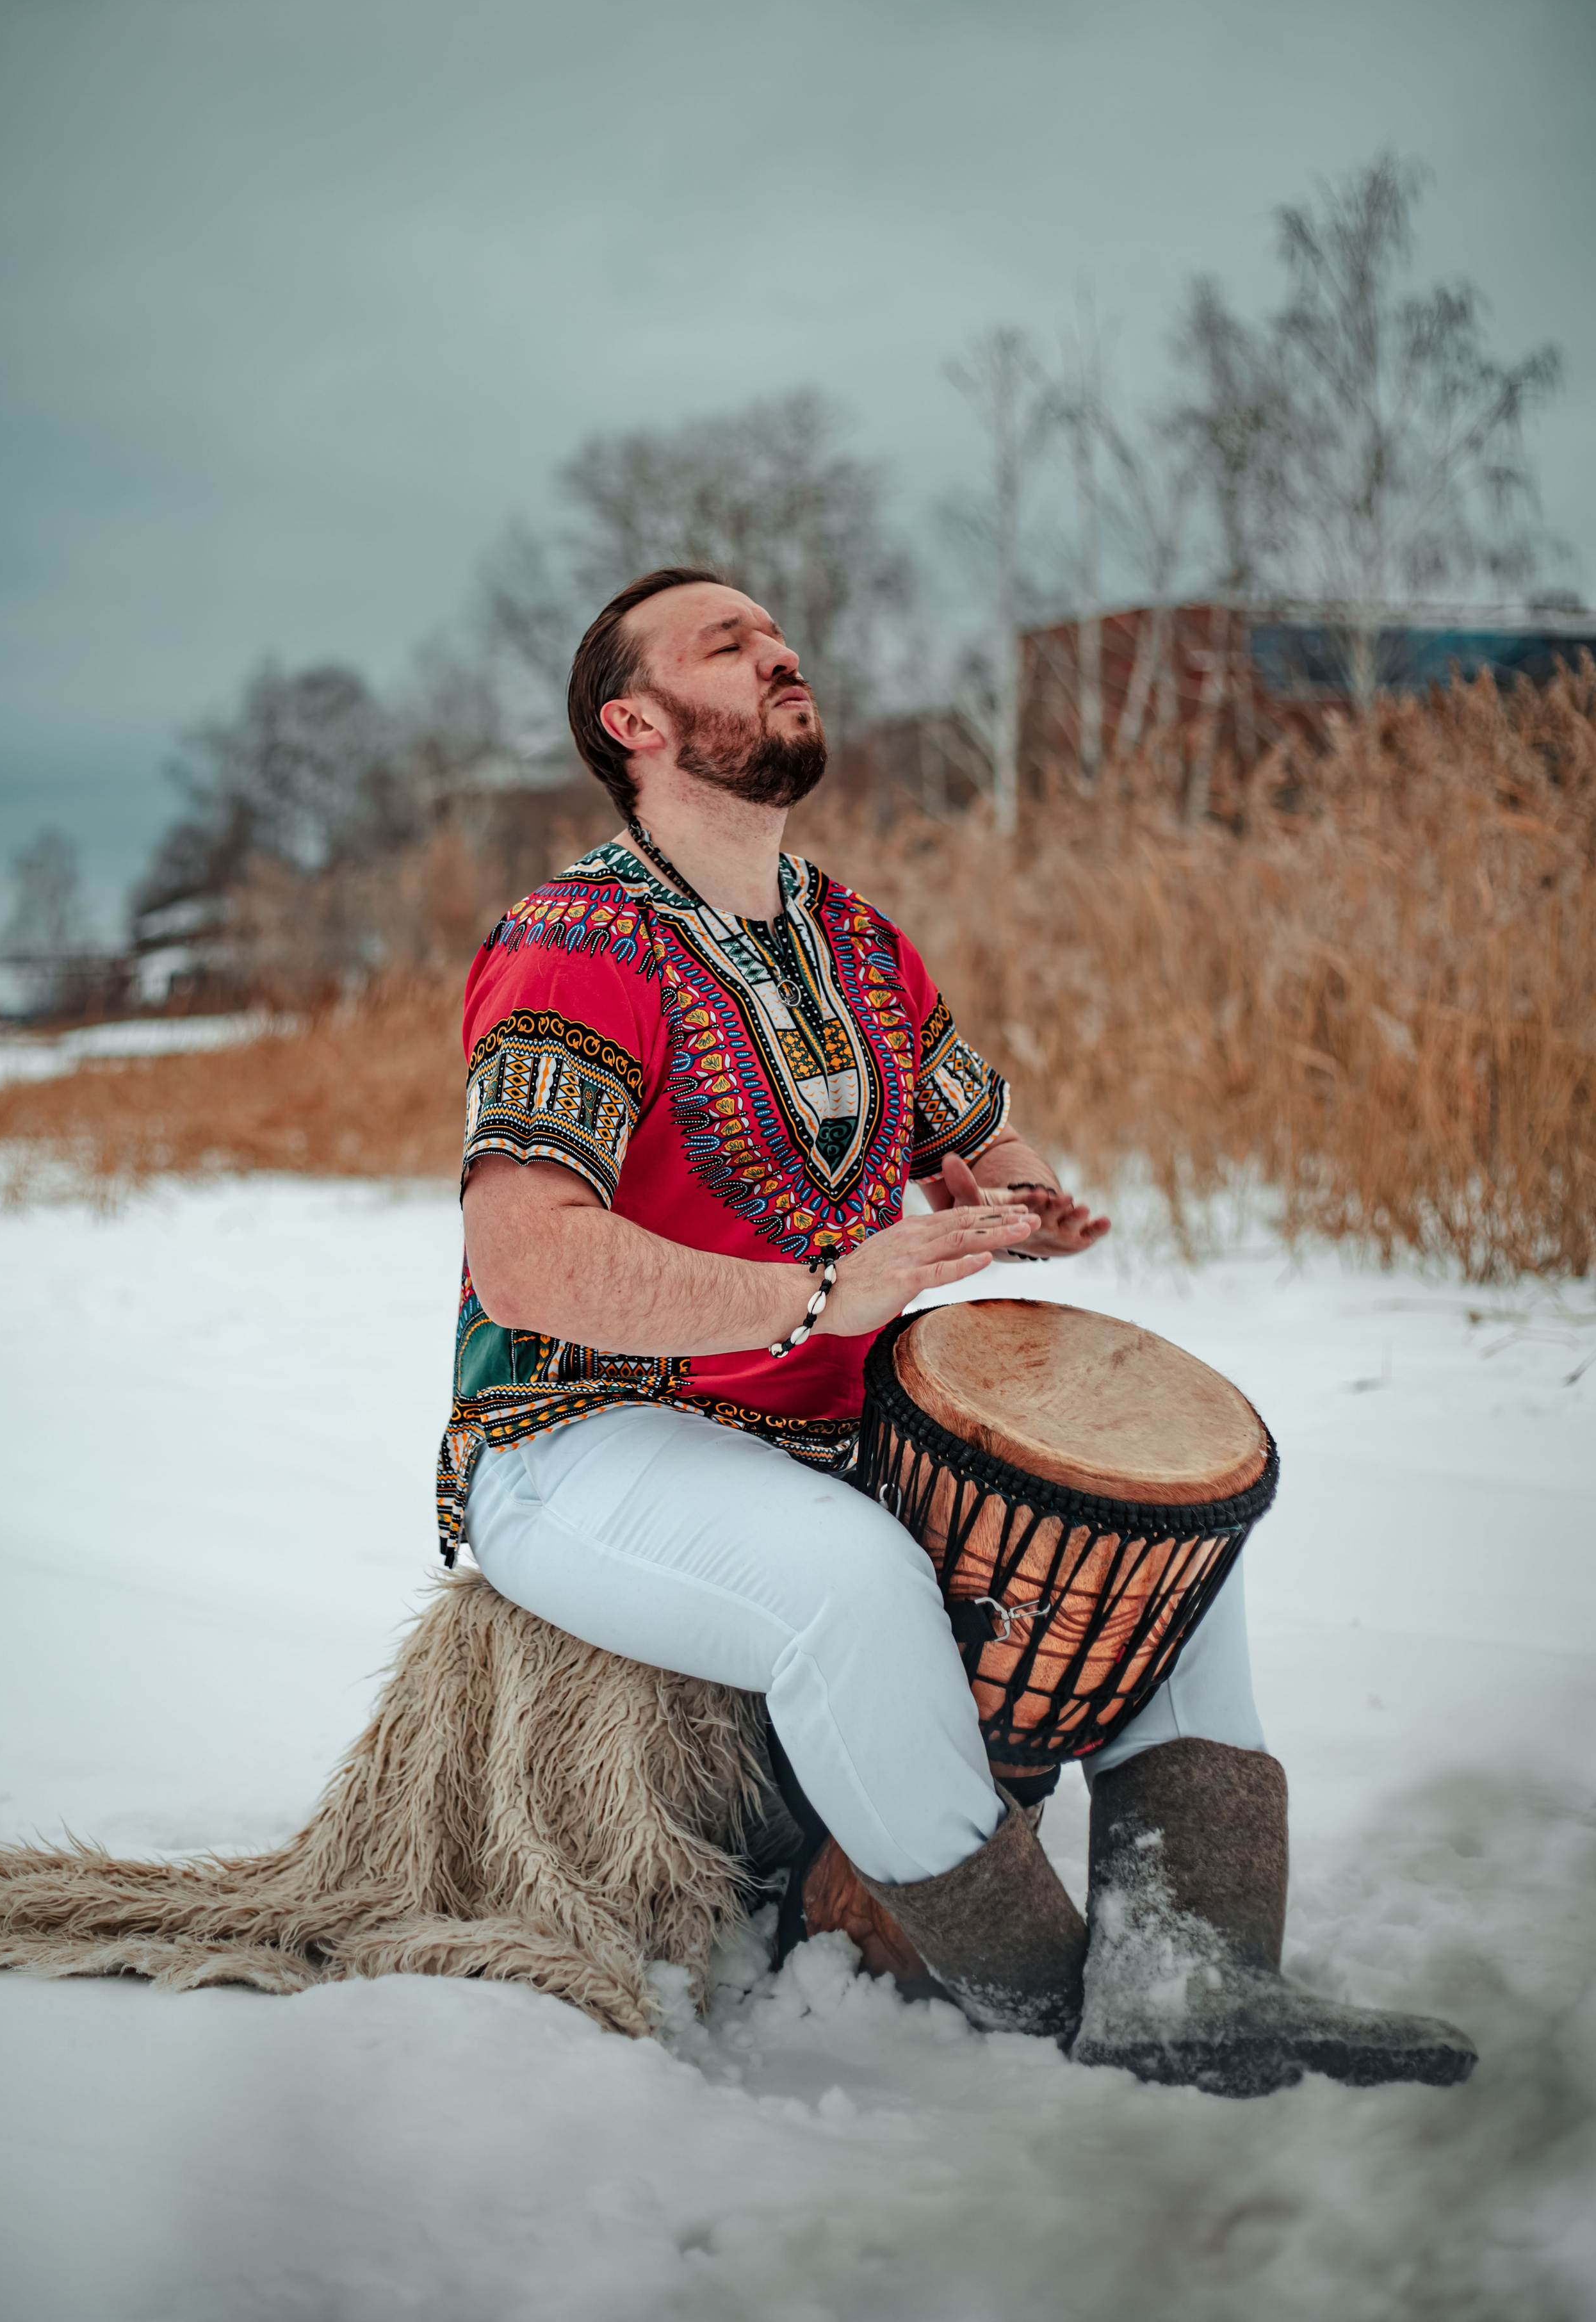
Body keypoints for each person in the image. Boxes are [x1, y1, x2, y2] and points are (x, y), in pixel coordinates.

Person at [439, 567, 1475, 2095]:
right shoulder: (571, 942)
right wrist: (817, 1291)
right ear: (635, 719)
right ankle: (1043, 2003)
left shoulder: (857, 944)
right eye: (727, 643)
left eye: (779, 631)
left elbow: (975, 1131)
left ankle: (1200, 1975)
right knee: (850, 1584)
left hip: (830, 1431)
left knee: (1168, 1522)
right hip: (580, 1438)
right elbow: (524, 1260)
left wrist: (1024, 1199)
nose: (780, 650)